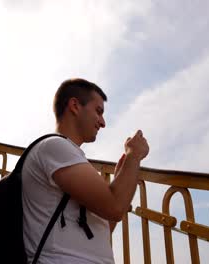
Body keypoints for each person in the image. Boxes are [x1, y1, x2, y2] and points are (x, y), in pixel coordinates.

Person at [22, 78, 149, 263]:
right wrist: (134, 155)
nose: (103, 122)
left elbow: (105, 224)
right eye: (98, 111)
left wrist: (124, 173)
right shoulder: (55, 147)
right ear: (74, 105)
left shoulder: (70, 157)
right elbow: (115, 207)